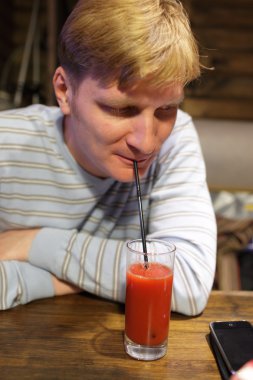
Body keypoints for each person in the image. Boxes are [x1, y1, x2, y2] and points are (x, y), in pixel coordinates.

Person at [0, 0, 216, 315]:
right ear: (64, 91)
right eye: (120, 108)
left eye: (166, 108)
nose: (146, 142)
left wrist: (34, 244)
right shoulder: (7, 144)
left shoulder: (177, 136)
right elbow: (163, 277)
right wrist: (77, 277)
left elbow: (189, 281)